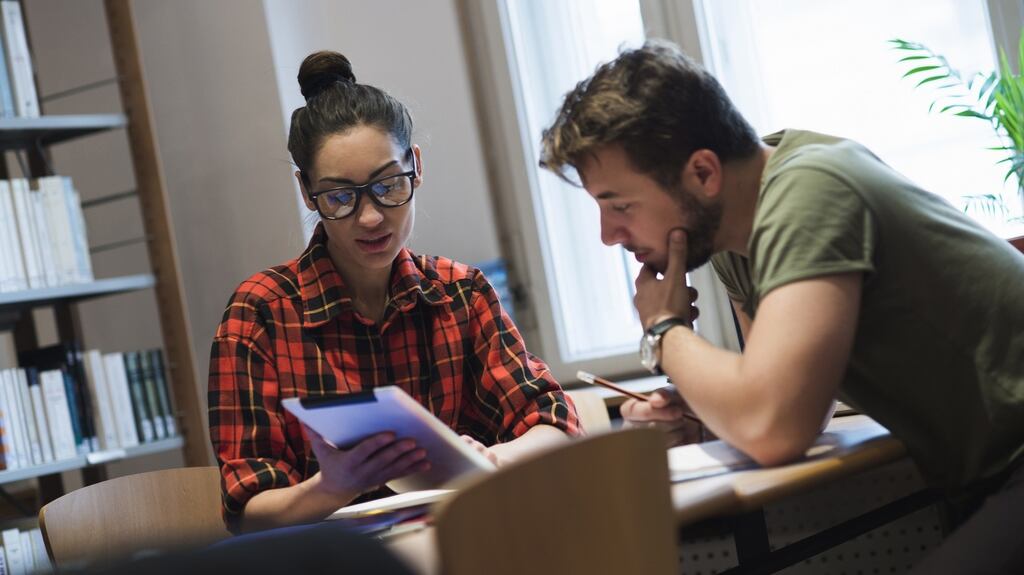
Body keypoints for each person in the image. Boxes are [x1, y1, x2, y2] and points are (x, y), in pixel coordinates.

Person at [539, 40, 1024, 573]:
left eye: (620, 206)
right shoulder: (732, 241)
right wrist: (703, 416)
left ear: (703, 173)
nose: (609, 236)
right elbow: (797, 406)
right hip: (987, 476)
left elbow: (774, 424)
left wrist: (664, 329)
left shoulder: (810, 192)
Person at [208, 50, 579, 534]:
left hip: (462, 547)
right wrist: (331, 487)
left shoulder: (459, 293)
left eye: (387, 185)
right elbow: (246, 512)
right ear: (306, 193)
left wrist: (492, 456)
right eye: (340, 197)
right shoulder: (261, 313)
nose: (370, 217)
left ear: (415, 166)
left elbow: (554, 423)